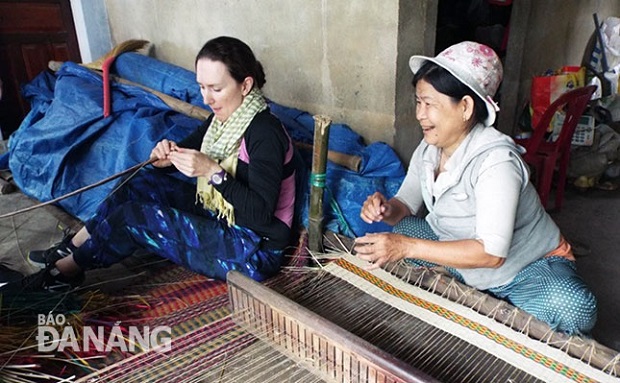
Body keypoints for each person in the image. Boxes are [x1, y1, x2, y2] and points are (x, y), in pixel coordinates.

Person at [354, 41, 597, 336]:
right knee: (398, 231)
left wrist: (406, 247)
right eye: (418, 102)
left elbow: (493, 254)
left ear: (466, 107)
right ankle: (471, 284)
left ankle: (492, 294)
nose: (420, 114)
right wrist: (385, 208)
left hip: (526, 268)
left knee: (573, 309)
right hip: (462, 252)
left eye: (430, 104)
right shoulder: (430, 148)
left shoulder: (496, 162)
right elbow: (405, 204)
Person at [18, 36, 297, 290]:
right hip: (220, 215)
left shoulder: (264, 133)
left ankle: (65, 272)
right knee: (137, 184)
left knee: (131, 218)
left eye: (216, 88)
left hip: (253, 248)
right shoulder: (224, 120)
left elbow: (261, 216)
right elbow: (187, 148)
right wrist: (164, 157)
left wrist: (213, 172)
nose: (206, 98)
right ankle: (72, 247)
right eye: (201, 87)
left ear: (245, 85)